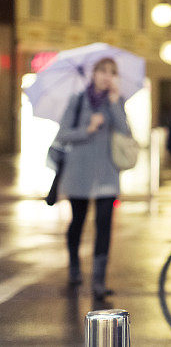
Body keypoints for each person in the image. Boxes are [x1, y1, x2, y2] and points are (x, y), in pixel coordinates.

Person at [54, 57, 131, 301]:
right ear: (94, 74)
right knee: (77, 221)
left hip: (107, 174)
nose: (107, 76)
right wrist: (87, 129)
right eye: (103, 71)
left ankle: (99, 280)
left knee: (104, 225)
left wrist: (114, 103)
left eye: (112, 72)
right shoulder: (77, 100)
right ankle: (75, 266)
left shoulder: (116, 101)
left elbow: (126, 131)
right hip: (79, 173)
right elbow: (63, 134)